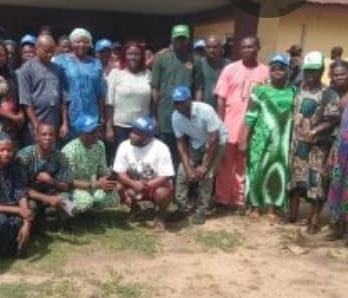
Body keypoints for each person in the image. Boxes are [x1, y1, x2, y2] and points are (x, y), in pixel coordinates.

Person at [287, 51, 342, 233]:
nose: (310, 75)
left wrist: (314, 131)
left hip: (317, 146)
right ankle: (292, 213)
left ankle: (314, 219)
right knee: (295, 178)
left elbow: (333, 118)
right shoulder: (298, 88)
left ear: (321, 71)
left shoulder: (328, 93)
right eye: (308, 71)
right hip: (297, 143)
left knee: (315, 181)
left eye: (315, 71)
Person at [214, 35, 269, 210]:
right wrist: (219, 125)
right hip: (230, 124)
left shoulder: (265, 71)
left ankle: (239, 200)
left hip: (252, 127)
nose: (247, 50)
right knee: (225, 164)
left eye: (251, 47)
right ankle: (222, 199)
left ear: (258, 47)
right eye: (243, 47)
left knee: (243, 164)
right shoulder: (230, 69)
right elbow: (221, 99)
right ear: (239, 50)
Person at [244, 54, 297, 215]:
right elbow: (250, 116)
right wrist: (244, 140)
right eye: (273, 68)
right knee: (257, 169)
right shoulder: (259, 90)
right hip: (261, 138)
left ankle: (273, 206)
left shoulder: (293, 91)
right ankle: (254, 205)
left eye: (282, 68)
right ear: (269, 71)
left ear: (288, 70)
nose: (277, 71)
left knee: (278, 170)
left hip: (282, 141)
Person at [170, 86, 228, 224]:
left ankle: (201, 210)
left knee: (207, 175)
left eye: (183, 101)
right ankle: (182, 207)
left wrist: (204, 165)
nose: (179, 105)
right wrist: (188, 168)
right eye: (176, 102)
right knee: (182, 173)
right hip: (197, 143)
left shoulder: (205, 110)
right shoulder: (176, 117)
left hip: (218, 142)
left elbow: (213, 139)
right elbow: (181, 143)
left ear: (190, 100)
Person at [113, 117, 175, 229]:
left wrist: (146, 185)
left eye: (137, 133)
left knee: (163, 192)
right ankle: (135, 209)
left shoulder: (161, 148)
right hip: (133, 185)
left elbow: (166, 176)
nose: (132, 135)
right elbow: (119, 172)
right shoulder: (124, 146)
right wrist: (133, 183)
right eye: (132, 131)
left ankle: (161, 216)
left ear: (148, 136)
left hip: (153, 186)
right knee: (118, 186)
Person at [149, 24, 196, 171]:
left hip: (187, 114)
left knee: (183, 151)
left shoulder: (195, 60)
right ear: (171, 39)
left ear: (188, 40)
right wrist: (154, 115)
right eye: (177, 39)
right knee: (165, 150)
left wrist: (196, 112)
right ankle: (165, 182)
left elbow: (198, 88)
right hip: (165, 113)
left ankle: (181, 184)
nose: (180, 42)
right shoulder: (161, 59)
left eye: (183, 39)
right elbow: (155, 88)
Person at [60, 116, 121, 216]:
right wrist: (95, 185)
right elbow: (67, 182)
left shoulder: (100, 145)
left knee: (113, 197)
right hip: (71, 189)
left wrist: (107, 182)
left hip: (92, 185)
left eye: (96, 130)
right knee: (85, 201)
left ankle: (90, 212)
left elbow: (102, 171)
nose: (96, 134)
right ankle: (62, 210)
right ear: (80, 134)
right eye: (91, 132)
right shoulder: (70, 151)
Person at [0, 133, 36, 255]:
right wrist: (18, 210)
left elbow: (21, 193)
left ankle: (16, 246)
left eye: (9, 150)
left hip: (14, 205)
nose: (5, 154)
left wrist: (27, 222)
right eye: (1, 150)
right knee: (2, 222)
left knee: (23, 217)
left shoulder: (16, 166)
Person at [53, 28, 107, 140]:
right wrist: (64, 122)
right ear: (72, 43)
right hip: (70, 115)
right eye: (77, 41)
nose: (81, 45)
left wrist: (101, 117)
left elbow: (100, 92)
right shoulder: (60, 61)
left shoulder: (96, 63)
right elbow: (60, 92)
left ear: (90, 44)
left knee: (90, 149)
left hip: (92, 116)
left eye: (85, 42)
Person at [16, 121, 77, 219]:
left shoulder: (60, 157)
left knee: (68, 202)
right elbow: (20, 189)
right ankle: (39, 221)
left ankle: (51, 219)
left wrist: (51, 181)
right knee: (31, 206)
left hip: (51, 192)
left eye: (51, 135)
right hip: (30, 196)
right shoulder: (24, 157)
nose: (47, 138)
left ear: (55, 138)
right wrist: (48, 199)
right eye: (44, 134)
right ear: (36, 137)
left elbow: (66, 186)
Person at [17, 33, 69, 145]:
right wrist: (36, 124)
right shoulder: (26, 70)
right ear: (37, 49)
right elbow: (26, 102)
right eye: (47, 51)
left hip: (54, 123)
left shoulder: (57, 69)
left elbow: (63, 98)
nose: (50, 54)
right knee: (35, 156)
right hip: (35, 124)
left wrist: (64, 123)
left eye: (52, 51)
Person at [105, 42, 152, 150]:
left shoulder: (147, 73)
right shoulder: (116, 73)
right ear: (124, 56)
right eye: (130, 54)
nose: (133, 57)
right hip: (121, 127)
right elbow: (109, 103)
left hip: (142, 126)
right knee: (123, 159)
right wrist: (109, 128)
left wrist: (153, 119)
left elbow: (152, 100)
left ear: (141, 57)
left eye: (137, 54)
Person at [328, 59, 348, 240]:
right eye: (335, 75)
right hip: (341, 149)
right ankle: (339, 227)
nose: (339, 77)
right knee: (338, 186)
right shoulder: (337, 97)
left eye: (342, 74)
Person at [193, 35, 228, 108]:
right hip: (203, 110)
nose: (211, 50)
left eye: (214, 47)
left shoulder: (229, 65)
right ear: (205, 48)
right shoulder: (198, 64)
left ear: (221, 48)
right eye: (208, 47)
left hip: (224, 109)